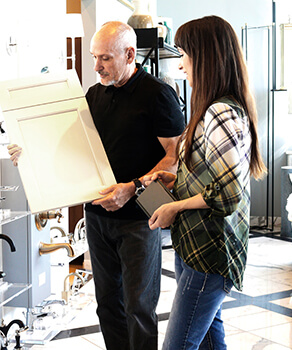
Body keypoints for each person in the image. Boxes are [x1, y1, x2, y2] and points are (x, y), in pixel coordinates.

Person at [8, 21, 185, 350]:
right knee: (107, 304)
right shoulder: (93, 95)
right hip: (98, 217)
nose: (96, 66)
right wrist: (26, 152)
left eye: (104, 58)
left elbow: (174, 158)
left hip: (139, 219)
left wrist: (131, 188)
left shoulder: (158, 95)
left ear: (129, 54)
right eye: (94, 57)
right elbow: (68, 145)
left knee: (139, 308)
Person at [143, 16, 266, 350]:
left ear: (205, 58)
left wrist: (173, 206)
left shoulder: (220, 114)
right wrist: (175, 178)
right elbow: (213, 177)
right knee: (212, 341)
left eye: (184, 54)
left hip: (209, 250)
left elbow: (227, 195)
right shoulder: (214, 109)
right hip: (197, 245)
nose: (181, 64)